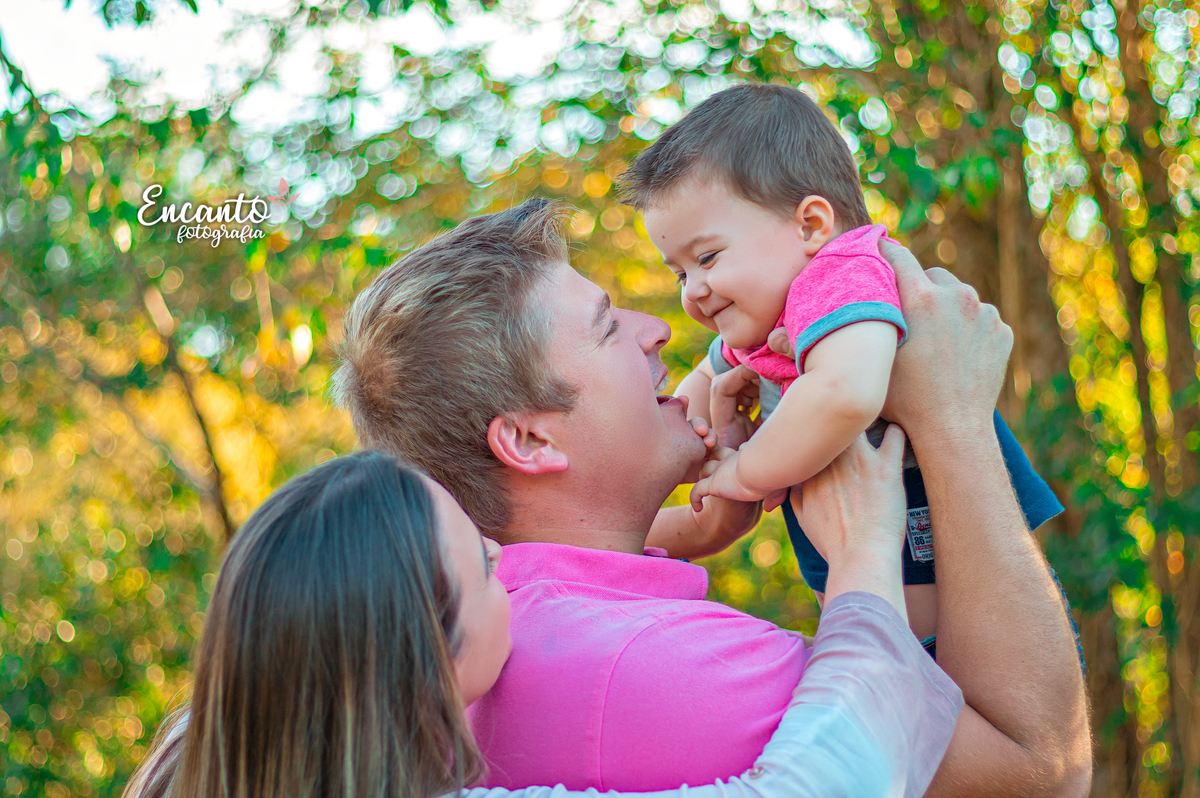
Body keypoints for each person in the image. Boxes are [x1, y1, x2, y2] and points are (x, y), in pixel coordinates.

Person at [333, 199, 1091, 796]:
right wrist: (952, 420)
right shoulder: (664, 668)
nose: (659, 329)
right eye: (607, 329)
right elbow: (1039, 771)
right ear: (531, 442)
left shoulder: (498, 631)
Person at [124, 449, 963, 798]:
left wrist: (672, 534)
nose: (502, 553)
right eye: (484, 566)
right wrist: (864, 557)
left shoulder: (223, 746)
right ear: (424, 664)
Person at [620, 83, 1064, 644]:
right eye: (681, 272)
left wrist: (743, 468)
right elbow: (693, 401)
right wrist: (678, 445)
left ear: (811, 226)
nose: (695, 290)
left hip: (966, 630)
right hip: (894, 636)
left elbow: (846, 392)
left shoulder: (845, 284)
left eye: (707, 258)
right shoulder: (763, 320)